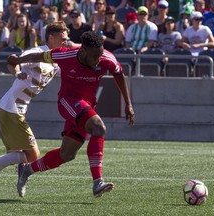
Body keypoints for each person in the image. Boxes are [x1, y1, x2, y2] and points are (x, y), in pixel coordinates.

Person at [7, 31, 135, 198]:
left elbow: (119, 75)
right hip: (68, 101)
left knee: (66, 154)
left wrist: (128, 104)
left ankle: (27, 169)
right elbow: (39, 56)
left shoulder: (106, 58)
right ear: (83, 51)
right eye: (94, 56)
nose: (98, 60)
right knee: (98, 128)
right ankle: (97, 182)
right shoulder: (64, 55)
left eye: (100, 55)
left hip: (86, 105)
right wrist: (17, 61)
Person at [0, 21, 69, 198]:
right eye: (63, 38)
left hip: (12, 108)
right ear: (51, 38)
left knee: (14, 156)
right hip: (12, 109)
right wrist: (17, 72)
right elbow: (13, 60)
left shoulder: (54, 61)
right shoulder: (37, 52)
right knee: (33, 154)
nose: (66, 42)